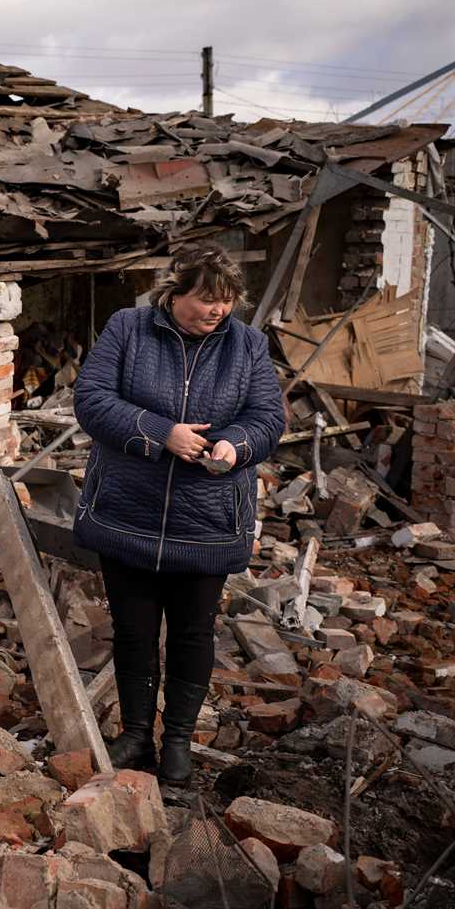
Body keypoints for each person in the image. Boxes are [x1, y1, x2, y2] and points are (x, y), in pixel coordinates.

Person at [72, 243, 285, 786]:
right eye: (205, 300)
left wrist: (236, 445)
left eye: (226, 301)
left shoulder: (248, 346)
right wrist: (161, 432)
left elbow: (267, 417)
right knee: (133, 632)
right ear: (175, 293)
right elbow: (92, 399)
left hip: (206, 519)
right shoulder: (128, 328)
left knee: (193, 633)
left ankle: (178, 742)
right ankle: (137, 734)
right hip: (129, 510)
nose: (216, 311)